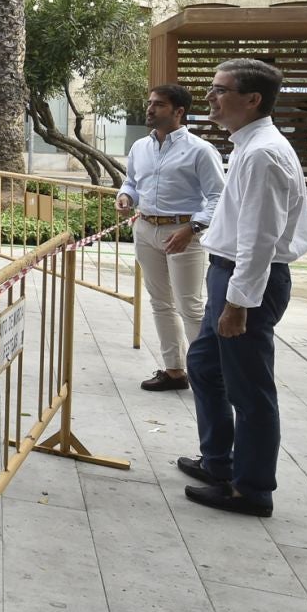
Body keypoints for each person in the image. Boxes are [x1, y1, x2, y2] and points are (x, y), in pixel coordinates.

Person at [178, 57, 307, 518]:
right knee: (203, 365)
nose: (211, 97)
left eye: (221, 89)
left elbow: (259, 238)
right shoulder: (247, 146)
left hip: (247, 280)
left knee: (249, 388)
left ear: (252, 99)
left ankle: (251, 488)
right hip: (228, 273)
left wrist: (238, 303)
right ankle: (220, 463)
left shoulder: (262, 154)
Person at [115, 84, 225, 392]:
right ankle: (174, 371)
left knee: (189, 305)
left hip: (185, 234)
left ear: (179, 112)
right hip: (146, 229)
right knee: (160, 302)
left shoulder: (200, 150)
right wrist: (125, 196)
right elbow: (132, 182)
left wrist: (192, 229)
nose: (150, 109)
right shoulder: (140, 147)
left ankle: (207, 377)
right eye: (150, 103)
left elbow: (219, 196)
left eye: (159, 105)